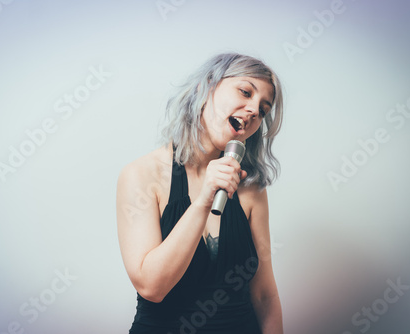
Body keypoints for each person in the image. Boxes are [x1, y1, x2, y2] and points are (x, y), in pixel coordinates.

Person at [116, 53, 284, 334]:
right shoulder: (141, 175)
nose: (254, 111)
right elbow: (151, 287)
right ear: (206, 87)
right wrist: (205, 199)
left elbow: (265, 296)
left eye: (263, 109)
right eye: (245, 92)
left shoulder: (250, 189)